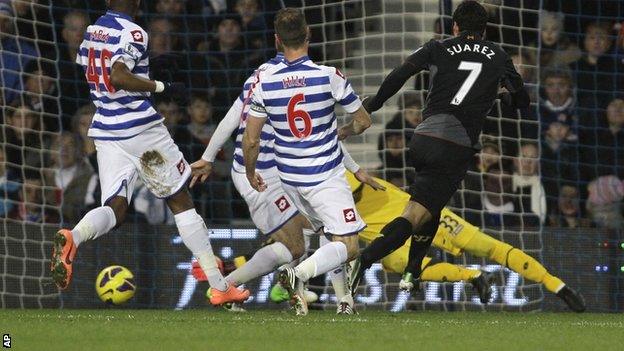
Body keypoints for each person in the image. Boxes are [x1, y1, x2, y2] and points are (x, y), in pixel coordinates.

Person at [50, 0, 249, 306]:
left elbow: (99, 69)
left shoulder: (94, 30)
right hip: (140, 129)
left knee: (115, 207)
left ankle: (73, 237)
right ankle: (219, 285)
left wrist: (146, 65)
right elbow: (117, 75)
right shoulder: (135, 32)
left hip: (105, 127)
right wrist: (160, 86)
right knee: (181, 200)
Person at [350, 1, 530, 293]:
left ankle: (412, 270)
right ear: (484, 31)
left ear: (455, 27)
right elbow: (522, 102)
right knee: (416, 214)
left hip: (422, 138)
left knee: (432, 204)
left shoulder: (438, 47)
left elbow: (399, 74)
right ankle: (364, 259)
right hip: (455, 146)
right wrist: (498, 96)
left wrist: (371, 106)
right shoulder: (498, 55)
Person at [242, 8, 372, 316]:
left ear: (277, 40)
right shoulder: (329, 76)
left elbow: (251, 139)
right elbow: (363, 122)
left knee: (329, 235)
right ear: (308, 35)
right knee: (350, 245)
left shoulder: (265, 84)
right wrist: (344, 131)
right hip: (324, 175)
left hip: (289, 179)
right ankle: (297, 275)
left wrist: (250, 172)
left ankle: (344, 302)